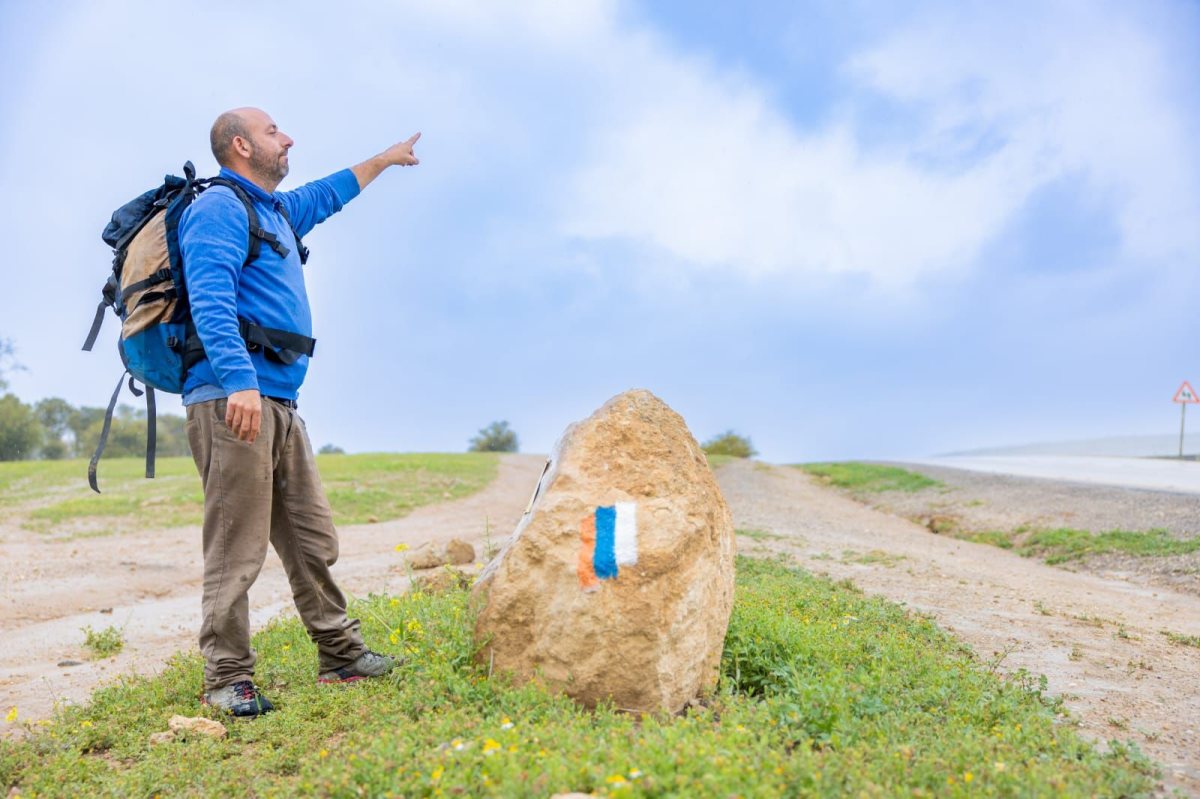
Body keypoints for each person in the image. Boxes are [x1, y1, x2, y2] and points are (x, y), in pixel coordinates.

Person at [179, 107, 420, 717]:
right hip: (233, 399)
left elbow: (332, 191)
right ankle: (226, 678)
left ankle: (340, 655)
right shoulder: (218, 209)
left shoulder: (275, 211)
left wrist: (386, 158)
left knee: (312, 539)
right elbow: (209, 295)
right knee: (237, 549)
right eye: (273, 132)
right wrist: (238, 382)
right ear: (240, 146)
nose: (287, 139)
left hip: (280, 402)